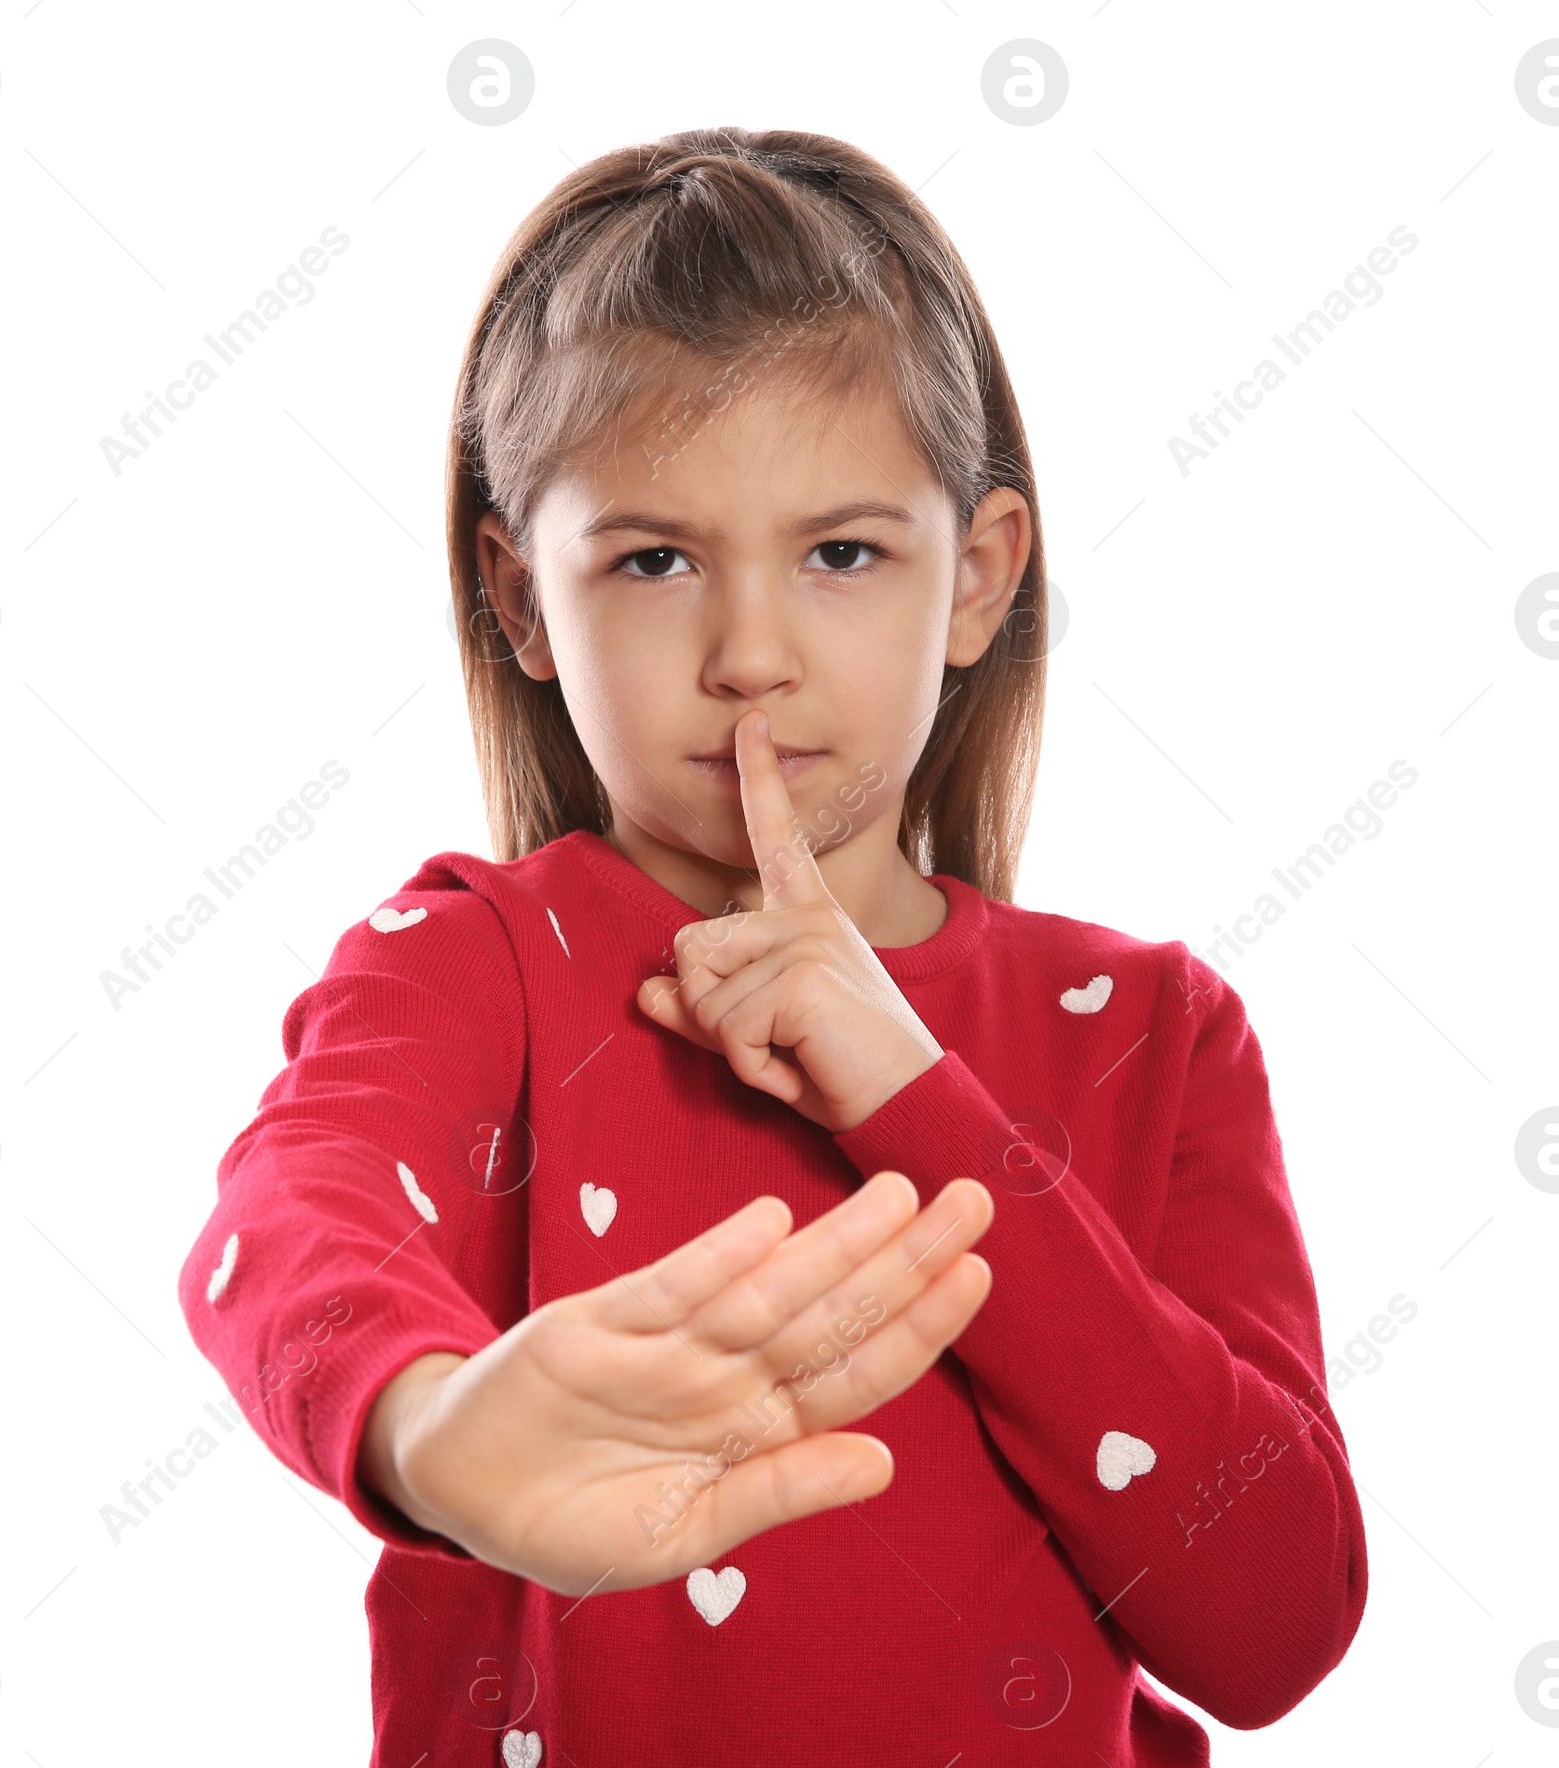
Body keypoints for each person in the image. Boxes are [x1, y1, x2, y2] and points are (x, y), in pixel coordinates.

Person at [177, 125, 1366, 1765]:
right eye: (655, 561)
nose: (751, 655)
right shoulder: (473, 964)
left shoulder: (1151, 1030)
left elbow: (1273, 1622)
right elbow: (285, 1219)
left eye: (841, 554)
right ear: (523, 602)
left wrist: (911, 1087)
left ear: (978, 580)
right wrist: (427, 1426)